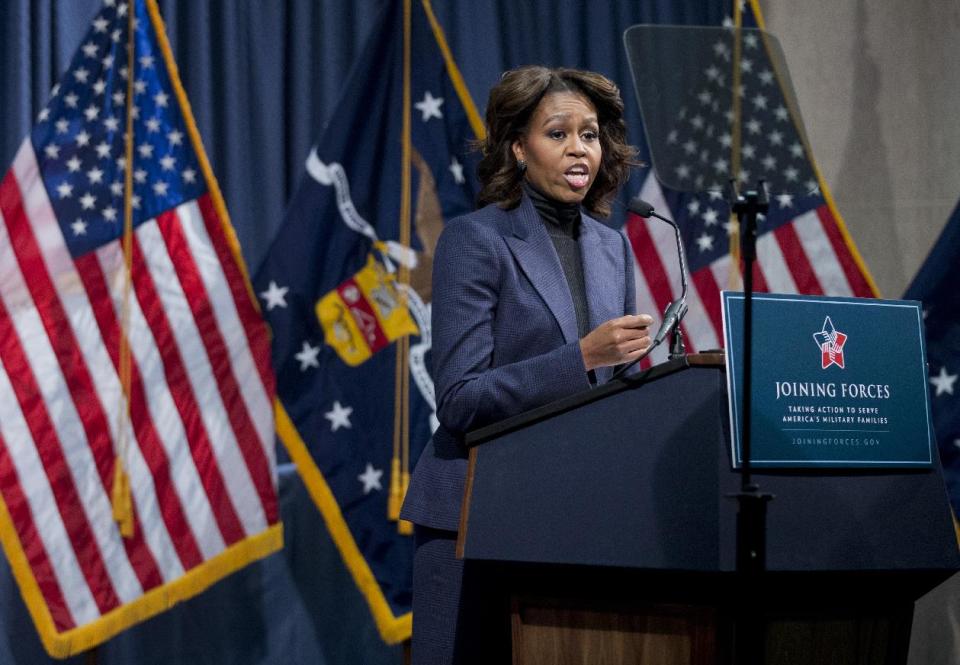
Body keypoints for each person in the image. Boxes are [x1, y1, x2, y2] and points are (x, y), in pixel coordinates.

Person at [400, 65, 653, 664]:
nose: (579, 150)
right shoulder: (473, 240)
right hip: (477, 512)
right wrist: (582, 358)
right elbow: (460, 398)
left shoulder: (612, 246)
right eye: (558, 133)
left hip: (579, 512)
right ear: (518, 147)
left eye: (590, 135)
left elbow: (617, 386)